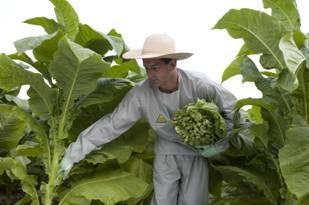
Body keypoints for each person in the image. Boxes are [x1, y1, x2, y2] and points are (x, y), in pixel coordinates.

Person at [58, 33, 236, 205]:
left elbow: (233, 111)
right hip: (165, 152)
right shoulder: (140, 93)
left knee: (193, 201)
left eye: (155, 68)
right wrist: (73, 155)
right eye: (147, 68)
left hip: (196, 153)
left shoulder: (200, 85)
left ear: (172, 63)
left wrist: (218, 146)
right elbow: (112, 124)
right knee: (163, 200)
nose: (150, 74)